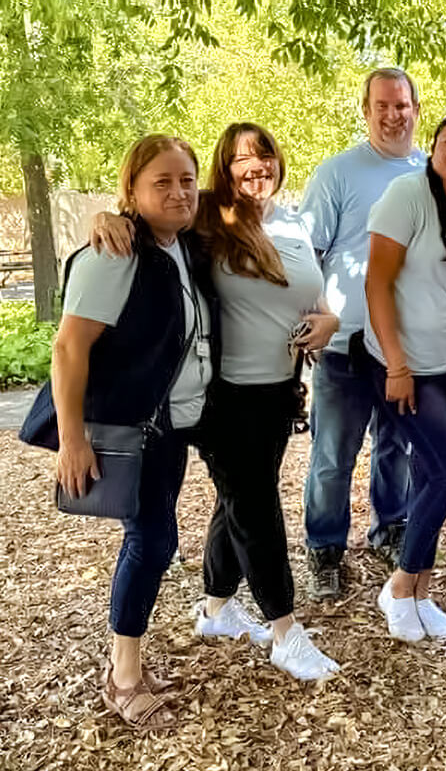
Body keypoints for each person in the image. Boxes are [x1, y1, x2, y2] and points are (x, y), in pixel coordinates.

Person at [91, 124, 342, 681]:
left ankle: (217, 607)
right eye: (241, 159)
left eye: (265, 155)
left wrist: (331, 320)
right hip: (223, 395)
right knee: (255, 504)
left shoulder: (292, 219)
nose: (256, 167)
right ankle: (285, 631)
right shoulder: (207, 215)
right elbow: (145, 216)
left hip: (280, 390)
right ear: (224, 168)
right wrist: (107, 218)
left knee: (240, 498)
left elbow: (314, 297)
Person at [53, 135, 216, 729]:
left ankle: (132, 662)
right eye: (161, 182)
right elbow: (69, 348)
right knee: (152, 542)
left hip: (166, 428)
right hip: (130, 428)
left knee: (153, 539)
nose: (178, 192)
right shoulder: (113, 253)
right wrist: (73, 438)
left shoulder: (182, 243)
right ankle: (122, 675)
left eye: (186, 180)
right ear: (132, 191)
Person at [366, 111, 446, 643]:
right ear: (434, 148)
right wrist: (396, 364)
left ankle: (420, 589)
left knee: (428, 475)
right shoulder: (406, 195)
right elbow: (376, 283)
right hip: (404, 368)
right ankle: (399, 587)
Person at [301, 68, 426, 600]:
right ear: (366, 110)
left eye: (402, 105)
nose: (393, 114)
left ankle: (389, 527)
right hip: (346, 343)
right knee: (333, 455)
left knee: (395, 447)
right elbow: (307, 256)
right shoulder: (337, 174)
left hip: (405, 344)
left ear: (416, 109)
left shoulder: (431, 171)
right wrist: (314, 320)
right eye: (383, 105)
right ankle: (325, 546)